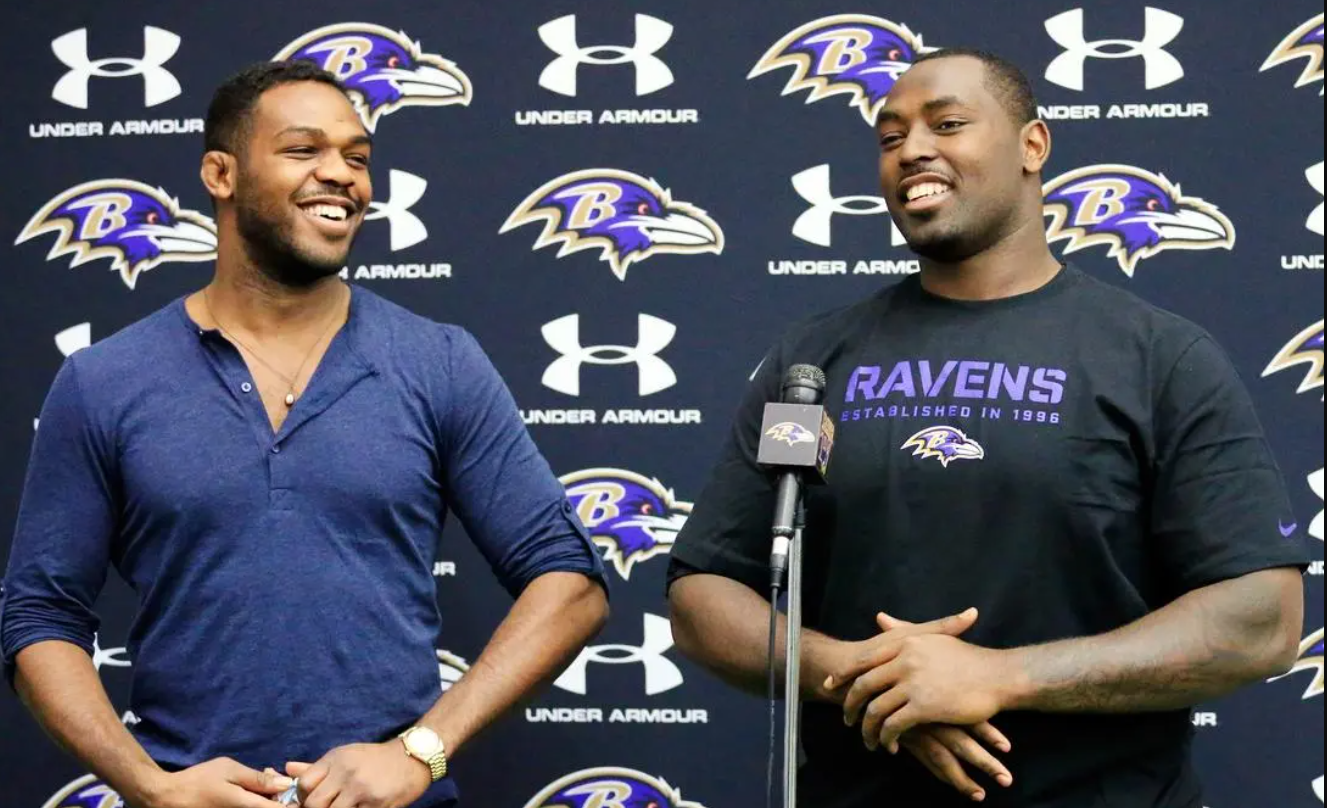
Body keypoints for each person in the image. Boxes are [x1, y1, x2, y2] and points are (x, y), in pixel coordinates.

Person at [666, 48, 1309, 807]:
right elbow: (704, 591)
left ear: (1032, 146)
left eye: (947, 124)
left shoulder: (1157, 357)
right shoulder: (812, 364)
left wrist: (1003, 677)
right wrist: (864, 676)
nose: (912, 149)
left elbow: (1262, 619)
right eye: (890, 137)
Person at [0, 61, 609, 808]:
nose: (342, 175)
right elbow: (40, 615)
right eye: (303, 150)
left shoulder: (438, 361)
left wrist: (420, 751)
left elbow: (569, 583)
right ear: (221, 174)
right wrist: (151, 788)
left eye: (357, 156)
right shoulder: (103, 380)